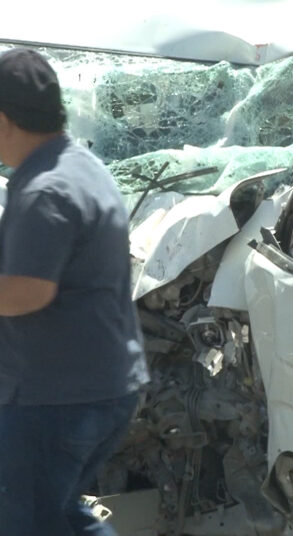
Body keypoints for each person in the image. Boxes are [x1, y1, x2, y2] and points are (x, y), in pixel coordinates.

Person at [0, 48, 149, 536]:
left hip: (57, 397)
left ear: (3, 122)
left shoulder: (44, 189)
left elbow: (28, 291)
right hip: (106, 388)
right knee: (61, 515)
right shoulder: (83, 165)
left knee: (31, 521)